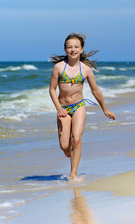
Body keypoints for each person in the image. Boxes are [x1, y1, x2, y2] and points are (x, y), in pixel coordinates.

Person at [49, 33, 115, 181]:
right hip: (63, 109)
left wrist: (104, 108)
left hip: (79, 106)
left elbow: (95, 90)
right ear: (65, 49)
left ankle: (73, 174)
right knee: (65, 145)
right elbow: (52, 90)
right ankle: (69, 152)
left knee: (76, 139)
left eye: (76, 47)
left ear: (81, 49)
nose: (73, 49)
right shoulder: (59, 67)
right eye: (69, 47)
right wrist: (58, 107)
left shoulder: (86, 70)